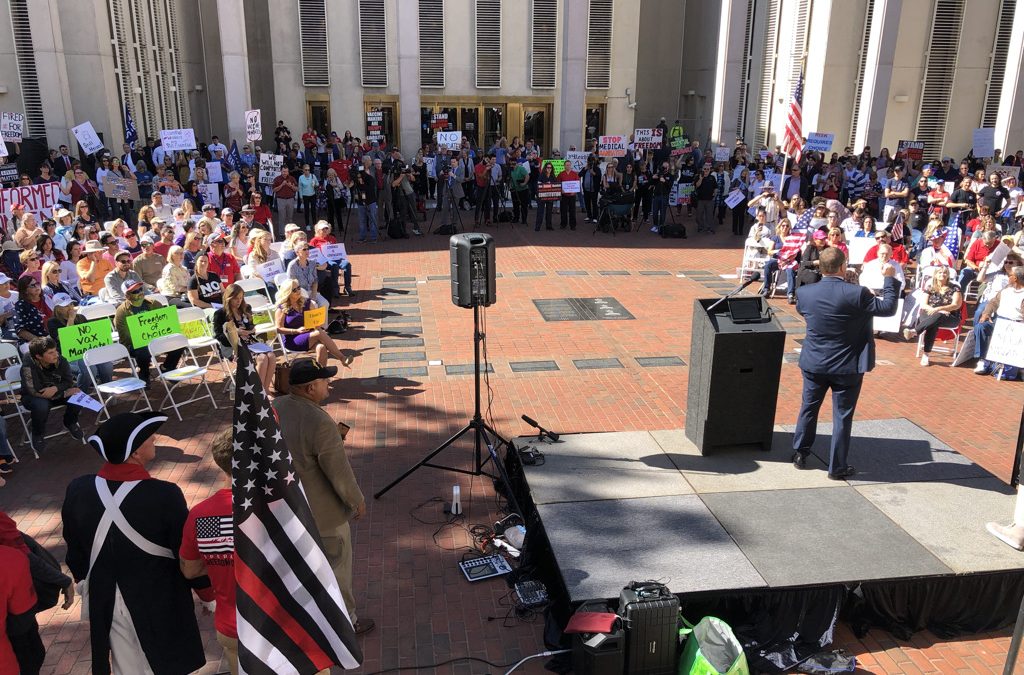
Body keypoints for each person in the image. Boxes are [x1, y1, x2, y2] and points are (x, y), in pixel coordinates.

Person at [61, 411, 206, 675]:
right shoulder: (165, 494)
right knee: (167, 663)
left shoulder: (78, 489)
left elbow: (75, 547)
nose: (155, 441)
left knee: (126, 667)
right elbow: (185, 553)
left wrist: (86, 580)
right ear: (135, 452)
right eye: (150, 438)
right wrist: (207, 594)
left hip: (106, 597)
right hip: (159, 596)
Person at [272, 359, 374, 635]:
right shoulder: (319, 420)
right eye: (324, 381)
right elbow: (338, 471)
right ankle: (346, 622)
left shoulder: (274, 408)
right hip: (323, 514)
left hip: (286, 510)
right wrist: (356, 500)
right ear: (309, 388)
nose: (328, 384)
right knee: (337, 568)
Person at [791, 247, 898, 479]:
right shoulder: (857, 294)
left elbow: (808, 312)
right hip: (846, 366)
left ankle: (800, 453)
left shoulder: (805, 293)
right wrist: (889, 278)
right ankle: (837, 467)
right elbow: (888, 308)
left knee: (808, 408)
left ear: (821, 267)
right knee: (842, 415)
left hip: (814, 362)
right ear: (843, 266)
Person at [20, 336, 84, 448]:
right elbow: (34, 390)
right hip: (34, 397)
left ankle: (70, 422)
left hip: (56, 392)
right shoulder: (28, 366)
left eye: (55, 350)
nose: (56, 354)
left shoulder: (61, 360)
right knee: (41, 406)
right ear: (38, 356)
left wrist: (56, 389)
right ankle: (37, 433)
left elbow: (68, 381)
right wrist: (62, 393)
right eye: (50, 353)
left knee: (79, 396)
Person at [115, 280, 184, 381]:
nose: (139, 293)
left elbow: (166, 323)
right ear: (127, 295)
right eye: (135, 292)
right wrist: (142, 338)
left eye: (140, 289)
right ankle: (144, 374)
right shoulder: (121, 312)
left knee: (179, 342)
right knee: (143, 351)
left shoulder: (154, 304)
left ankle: (167, 368)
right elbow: (125, 336)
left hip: (157, 339)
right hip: (135, 344)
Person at [213, 284, 276, 392]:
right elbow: (218, 336)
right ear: (228, 298)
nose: (239, 301)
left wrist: (251, 329)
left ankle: (264, 391)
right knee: (262, 358)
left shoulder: (246, 308)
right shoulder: (220, 313)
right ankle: (258, 393)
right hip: (234, 345)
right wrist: (234, 332)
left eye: (241, 297)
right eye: (236, 298)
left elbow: (250, 326)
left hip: (250, 342)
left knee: (271, 356)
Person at [274, 279, 348, 365]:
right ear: (288, 292)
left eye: (299, 288)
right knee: (319, 333)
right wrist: (296, 331)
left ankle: (321, 376)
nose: (298, 291)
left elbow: (316, 321)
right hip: (293, 339)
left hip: (310, 334)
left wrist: (318, 324)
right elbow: (278, 329)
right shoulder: (282, 309)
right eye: (294, 290)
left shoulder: (307, 303)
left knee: (321, 347)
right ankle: (342, 358)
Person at [973, 265, 1024, 377]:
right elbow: (993, 302)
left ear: (1015, 278)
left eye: (1010, 275)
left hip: (1016, 325)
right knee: (981, 327)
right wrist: (986, 314)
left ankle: (1015, 366)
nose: (1008, 277)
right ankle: (982, 360)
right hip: (999, 321)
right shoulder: (1006, 289)